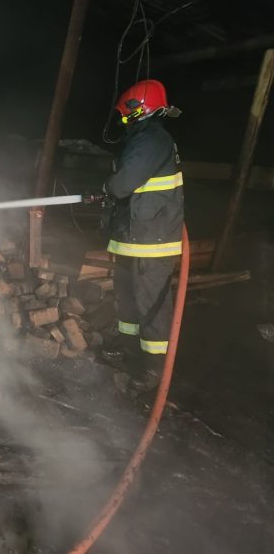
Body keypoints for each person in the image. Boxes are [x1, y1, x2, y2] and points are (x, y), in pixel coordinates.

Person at [100, 79, 184, 393]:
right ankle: (128, 345)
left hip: (152, 241)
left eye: (125, 113)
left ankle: (154, 367)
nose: (123, 119)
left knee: (152, 304)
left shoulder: (152, 139)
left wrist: (107, 187)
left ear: (139, 109)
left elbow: (123, 183)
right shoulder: (144, 138)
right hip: (134, 236)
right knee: (127, 295)